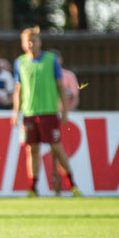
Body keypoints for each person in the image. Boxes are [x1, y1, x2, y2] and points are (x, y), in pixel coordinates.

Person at [11, 27, 81, 197]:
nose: (30, 44)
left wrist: (64, 112)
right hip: (29, 112)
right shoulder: (20, 62)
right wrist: (15, 112)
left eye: (33, 40)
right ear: (22, 44)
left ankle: (72, 185)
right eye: (27, 41)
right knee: (31, 150)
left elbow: (60, 88)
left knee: (57, 148)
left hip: (49, 111)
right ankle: (33, 188)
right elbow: (18, 90)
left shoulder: (51, 60)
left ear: (39, 42)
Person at [49, 49, 80, 194]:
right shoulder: (45, 77)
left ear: (60, 60)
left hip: (64, 119)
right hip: (48, 116)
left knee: (59, 152)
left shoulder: (68, 76)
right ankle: (57, 188)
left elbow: (74, 97)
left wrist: (66, 113)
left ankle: (69, 184)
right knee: (54, 153)